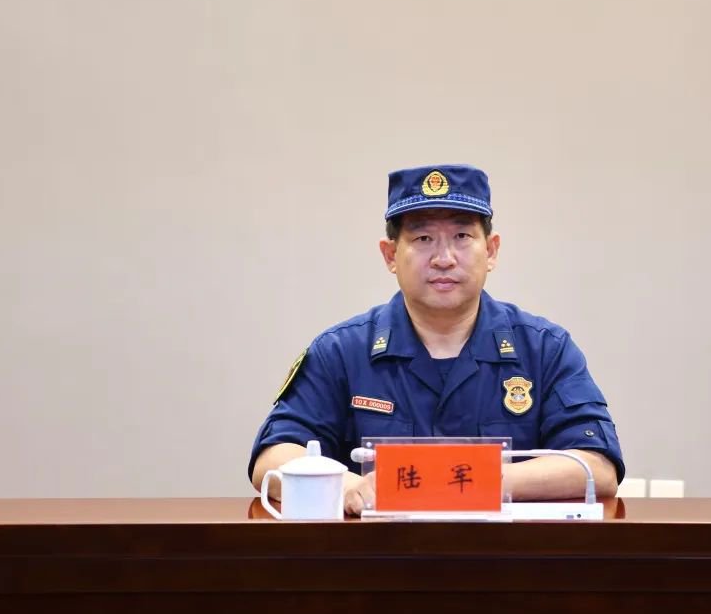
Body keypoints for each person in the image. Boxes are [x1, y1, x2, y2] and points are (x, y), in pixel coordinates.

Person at [248, 164, 624, 515]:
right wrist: (350, 486)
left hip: (507, 559)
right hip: (378, 558)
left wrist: (473, 483)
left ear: (491, 251)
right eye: (423, 238)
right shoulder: (341, 351)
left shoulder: (544, 349)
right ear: (390, 255)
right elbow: (273, 458)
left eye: (462, 236)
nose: (444, 258)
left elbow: (597, 465)